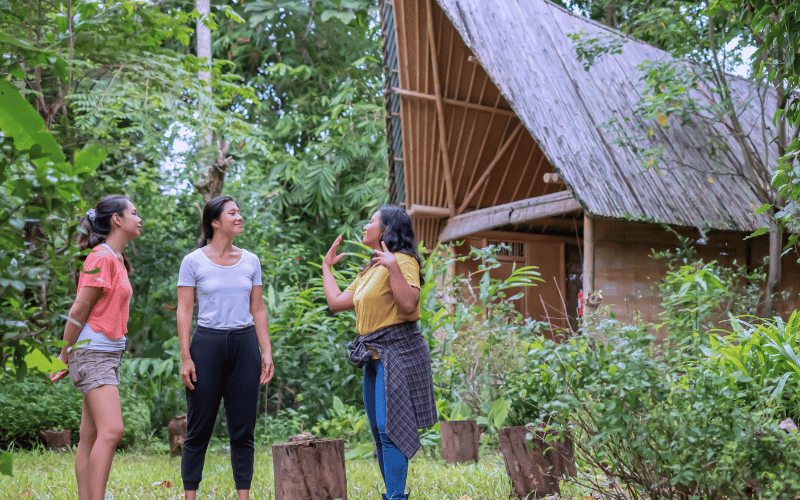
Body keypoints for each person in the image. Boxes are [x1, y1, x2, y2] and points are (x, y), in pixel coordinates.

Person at [322, 205, 437, 500]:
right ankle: (393, 493)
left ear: (385, 230)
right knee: (378, 432)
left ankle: (396, 497)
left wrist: (393, 267)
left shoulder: (402, 260)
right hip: (372, 357)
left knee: (390, 431)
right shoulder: (371, 270)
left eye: (371, 221)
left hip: (397, 354)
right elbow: (336, 302)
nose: (364, 225)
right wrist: (327, 267)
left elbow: (409, 304)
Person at [177, 195, 274, 500]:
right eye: (233, 213)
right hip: (207, 345)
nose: (239, 216)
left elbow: (258, 309)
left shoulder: (251, 260)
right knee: (198, 429)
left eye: (240, 211)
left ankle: (243, 496)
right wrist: (185, 357)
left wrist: (266, 350)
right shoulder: (192, 261)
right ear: (215, 222)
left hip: (245, 346)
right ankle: (190, 495)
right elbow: (184, 311)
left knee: (243, 430)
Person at [51, 194, 142, 500]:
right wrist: (63, 356)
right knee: (113, 430)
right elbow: (78, 310)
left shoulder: (115, 259)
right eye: (133, 213)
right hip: (93, 352)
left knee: (89, 437)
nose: (138, 218)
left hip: (106, 353)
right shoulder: (102, 257)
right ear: (117, 219)